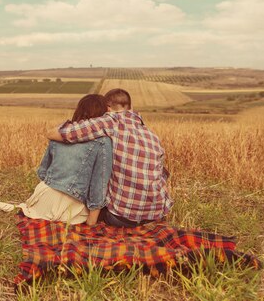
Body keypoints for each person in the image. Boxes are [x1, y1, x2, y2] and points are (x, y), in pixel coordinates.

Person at [47, 88, 172, 227]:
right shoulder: (151, 135)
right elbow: (162, 176)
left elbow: (60, 133)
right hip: (156, 214)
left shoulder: (110, 121)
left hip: (122, 217)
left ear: (108, 108)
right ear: (131, 107)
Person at [0, 94, 112, 226]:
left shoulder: (61, 133)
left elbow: (43, 172)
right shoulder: (102, 142)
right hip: (65, 207)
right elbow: (99, 185)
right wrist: (92, 221)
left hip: (41, 197)